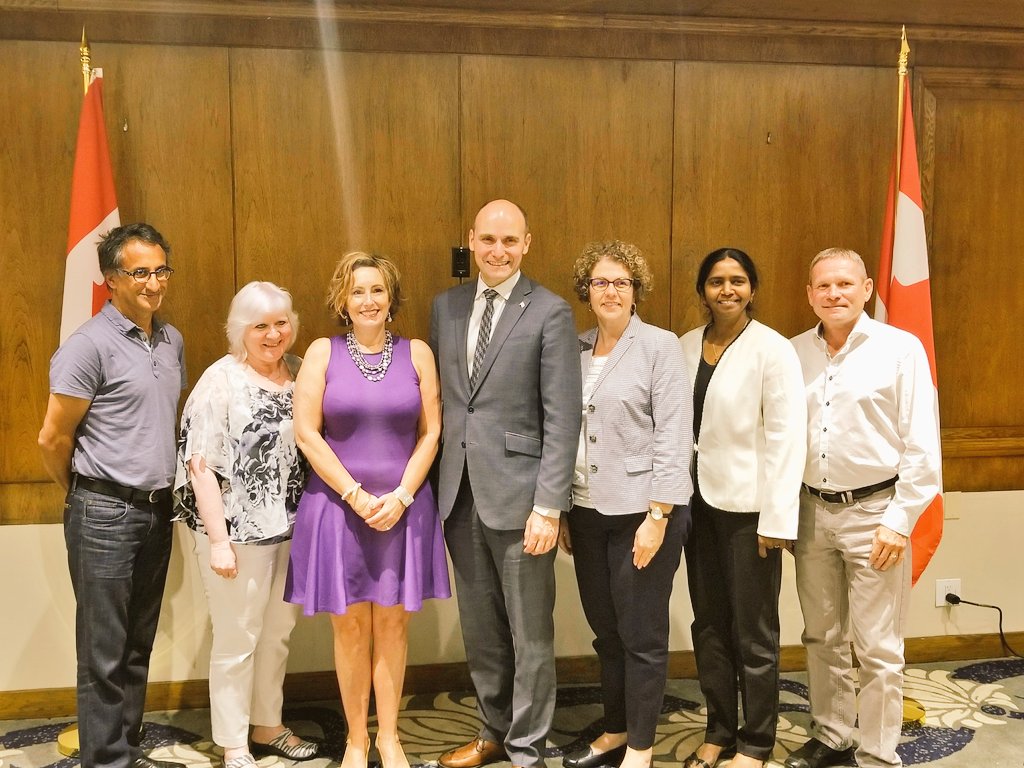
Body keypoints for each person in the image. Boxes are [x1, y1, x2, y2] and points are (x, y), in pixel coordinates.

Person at [430, 199, 581, 768]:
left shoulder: (550, 311)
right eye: (488, 240)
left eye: (510, 241)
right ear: (471, 240)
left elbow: (562, 418)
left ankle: (526, 747)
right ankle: (492, 731)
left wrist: (549, 506)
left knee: (529, 633)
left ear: (527, 243)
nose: (498, 251)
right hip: (458, 493)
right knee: (481, 629)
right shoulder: (445, 307)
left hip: (523, 499)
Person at [286, 252, 450, 768]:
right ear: (343, 299)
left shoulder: (418, 353)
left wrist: (401, 496)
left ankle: (390, 738)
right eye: (358, 291)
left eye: (377, 290)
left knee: (394, 627)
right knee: (351, 628)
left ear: (391, 297)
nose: (368, 300)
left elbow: (432, 433)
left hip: (404, 509)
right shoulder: (322, 352)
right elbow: (306, 433)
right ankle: (356, 740)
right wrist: (355, 494)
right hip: (339, 509)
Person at [37, 223, 187, 768]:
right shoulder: (87, 346)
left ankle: (125, 747)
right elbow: (53, 438)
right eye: (140, 272)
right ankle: (105, 761)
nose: (154, 283)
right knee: (103, 651)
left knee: (137, 644)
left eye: (161, 270)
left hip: (156, 511)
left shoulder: (171, 340)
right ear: (110, 279)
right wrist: (83, 494)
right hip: (102, 512)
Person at [786, 248, 941, 768]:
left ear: (868, 288)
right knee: (822, 636)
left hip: (877, 515)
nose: (835, 294)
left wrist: (900, 522)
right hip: (810, 513)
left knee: (877, 647)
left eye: (845, 284)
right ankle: (832, 736)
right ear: (810, 294)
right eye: (824, 286)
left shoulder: (900, 350)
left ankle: (876, 752)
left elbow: (923, 446)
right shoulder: (793, 352)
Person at [558, 241, 692, 768]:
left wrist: (658, 516)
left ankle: (641, 747)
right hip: (586, 512)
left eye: (621, 282)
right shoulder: (575, 348)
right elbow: (562, 430)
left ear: (636, 290)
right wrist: (563, 508)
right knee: (607, 632)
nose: (610, 291)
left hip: (643, 514)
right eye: (600, 282)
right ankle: (615, 729)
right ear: (586, 290)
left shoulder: (660, 346)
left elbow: (674, 436)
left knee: (641, 636)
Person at [173, 282, 318, 768]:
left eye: (281, 323)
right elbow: (199, 466)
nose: (274, 334)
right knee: (238, 640)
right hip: (236, 534)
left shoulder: (300, 371)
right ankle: (234, 742)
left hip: (291, 528)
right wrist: (218, 541)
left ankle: (268, 723)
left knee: (277, 633)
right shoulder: (220, 381)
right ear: (240, 330)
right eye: (261, 326)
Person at [678, 248, 807, 768]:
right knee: (707, 624)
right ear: (702, 290)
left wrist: (777, 519)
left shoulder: (772, 349)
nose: (726, 290)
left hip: (750, 514)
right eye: (716, 281)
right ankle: (718, 731)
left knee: (754, 632)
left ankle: (756, 742)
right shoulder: (685, 345)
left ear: (752, 288)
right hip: (696, 507)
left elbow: (787, 439)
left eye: (737, 280)